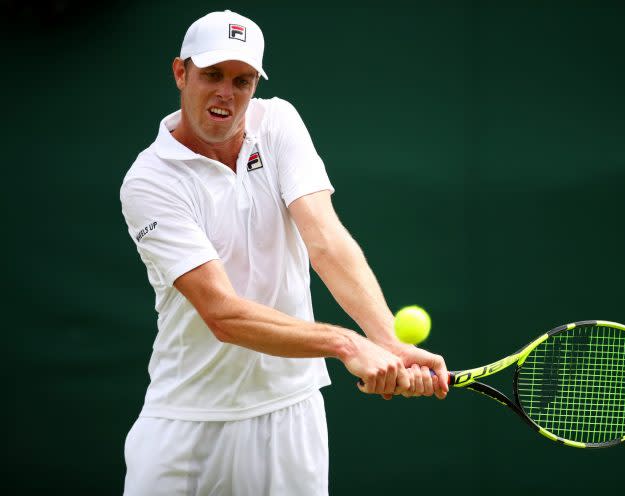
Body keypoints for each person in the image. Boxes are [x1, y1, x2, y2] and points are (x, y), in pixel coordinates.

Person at [119, 10, 448, 495]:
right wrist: (349, 344)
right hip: (186, 422)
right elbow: (223, 315)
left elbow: (326, 240)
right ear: (180, 72)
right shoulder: (149, 181)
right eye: (212, 75)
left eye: (243, 80)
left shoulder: (278, 124)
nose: (226, 93)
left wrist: (388, 339)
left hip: (291, 417)